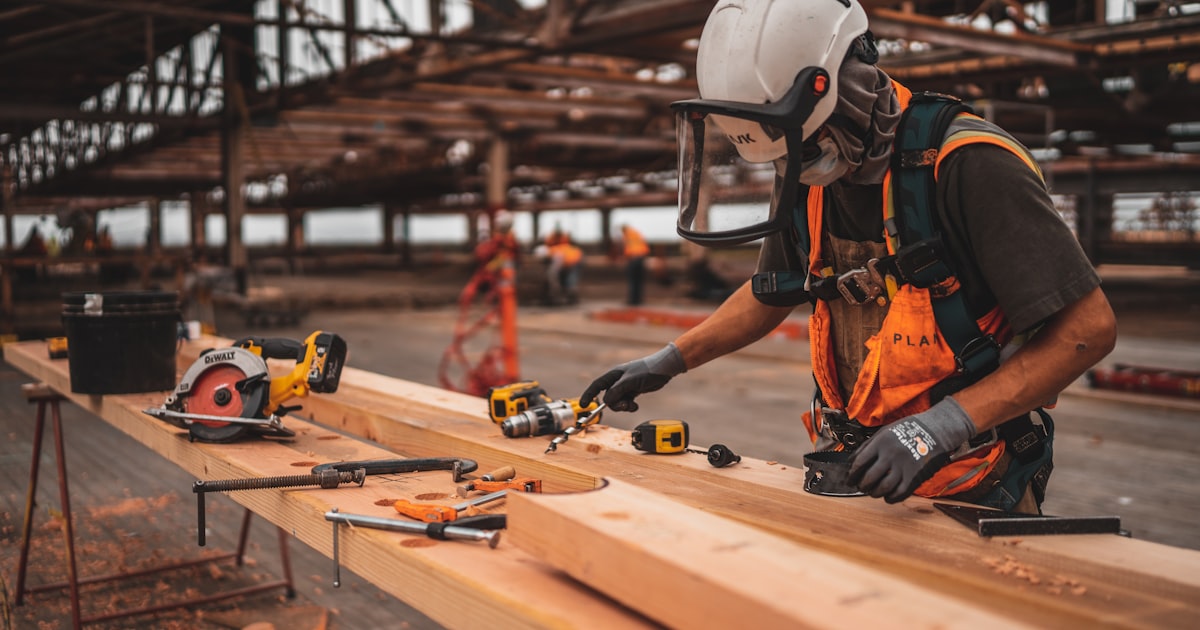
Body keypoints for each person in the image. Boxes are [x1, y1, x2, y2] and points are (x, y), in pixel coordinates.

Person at [581, 0, 1116, 514]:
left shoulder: (967, 163)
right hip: (856, 472)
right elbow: (774, 292)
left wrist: (945, 424)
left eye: (808, 147)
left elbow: (1087, 329)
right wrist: (668, 361)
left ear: (848, 87)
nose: (799, 165)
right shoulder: (803, 166)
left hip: (972, 478)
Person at [619, 224, 650, 305]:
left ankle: (633, 300)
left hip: (633, 258)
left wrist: (624, 258)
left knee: (632, 280)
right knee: (639, 280)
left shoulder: (627, 235)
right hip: (641, 257)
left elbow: (626, 246)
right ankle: (638, 299)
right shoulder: (636, 233)